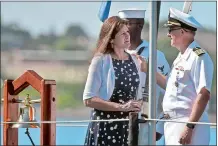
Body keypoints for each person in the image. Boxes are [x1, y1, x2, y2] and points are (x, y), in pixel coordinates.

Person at [138, 7, 214, 145]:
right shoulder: (181, 56)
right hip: (173, 124)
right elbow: (171, 87)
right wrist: (148, 70)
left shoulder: (198, 57)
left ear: (182, 31)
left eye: (170, 30)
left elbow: (203, 94)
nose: (168, 34)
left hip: (188, 124)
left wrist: (189, 127)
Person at [83, 16, 144, 146]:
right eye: (122, 33)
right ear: (111, 39)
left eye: (127, 31)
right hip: (105, 127)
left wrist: (138, 103)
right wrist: (121, 107)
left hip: (128, 126)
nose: (127, 36)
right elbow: (88, 99)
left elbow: (137, 92)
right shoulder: (100, 61)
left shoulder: (135, 59)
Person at [118, 8, 170, 141]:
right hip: (117, 124)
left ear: (140, 25)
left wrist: (159, 128)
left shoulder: (155, 55)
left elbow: (169, 93)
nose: (122, 28)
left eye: (127, 23)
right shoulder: (113, 55)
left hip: (146, 124)